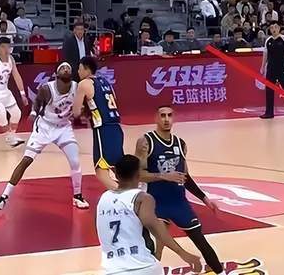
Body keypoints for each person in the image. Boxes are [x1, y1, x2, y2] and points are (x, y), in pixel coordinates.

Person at [134, 106, 225, 274]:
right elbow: (138, 174)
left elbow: (185, 177)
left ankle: (220, 272)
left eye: (169, 115)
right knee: (157, 248)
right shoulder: (146, 142)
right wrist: (163, 176)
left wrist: (205, 199)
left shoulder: (180, 144)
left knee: (201, 241)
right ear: (156, 118)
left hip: (179, 203)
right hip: (156, 203)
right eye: (162, 115)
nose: (166, 119)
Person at [0, 63, 89, 210]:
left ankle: (77, 196)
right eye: (62, 68)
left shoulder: (77, 87)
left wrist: (83, 114)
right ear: (56, 74)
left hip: (63, 128)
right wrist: (33, 113)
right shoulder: (47, 88)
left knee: (75, 161)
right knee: (26, 160)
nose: (66, 69)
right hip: (44, 127)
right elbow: (37, 102)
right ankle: (4, 196)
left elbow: (83, 107)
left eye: (68, 68)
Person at [96, 154, 202, 275]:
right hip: (142, 267)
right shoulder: (142, 198)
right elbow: (156, 229)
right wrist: (183, 253)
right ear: (138, 175)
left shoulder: (104, 198)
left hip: (111, 270)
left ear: (116, 174)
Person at [73, 56, 124, 190]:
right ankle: (132, 189)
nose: (78, 72)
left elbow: (75, 112)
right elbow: (113, 100)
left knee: (101, 172)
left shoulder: (84, 84)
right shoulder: (106, 82)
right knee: (117, 168)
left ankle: (126, 195)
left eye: (79, 69)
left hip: (103, 129)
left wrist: (83, 110)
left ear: (86, 69)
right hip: (117, 128)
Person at [0, 37, 27, 147]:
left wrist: (22, 93)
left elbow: (16, 76)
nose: (6, 50)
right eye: (3, 47)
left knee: (17, 113)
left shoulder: (11, 59)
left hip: (4, 92)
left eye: (8, 47)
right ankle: (9, 137)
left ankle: (12, 135)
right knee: (1, 111)